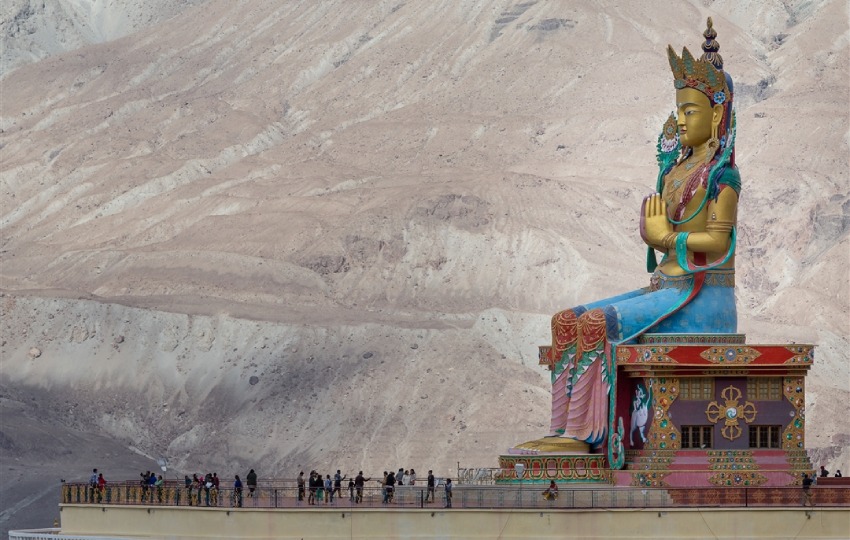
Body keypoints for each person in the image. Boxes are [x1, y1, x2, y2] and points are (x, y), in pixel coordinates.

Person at [518, 18, 741, 459]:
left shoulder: (723, 176)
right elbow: (662, 237)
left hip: (701, 297)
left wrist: (668, 239)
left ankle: (586, 437)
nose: (680, 118)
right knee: (567, 320)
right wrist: (652, 238)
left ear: (716, 114)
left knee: (599, 324)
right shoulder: (675, 170)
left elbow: (718, 244)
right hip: (665, 286)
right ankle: (562, 427)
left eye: (690, 111)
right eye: (679, 110)